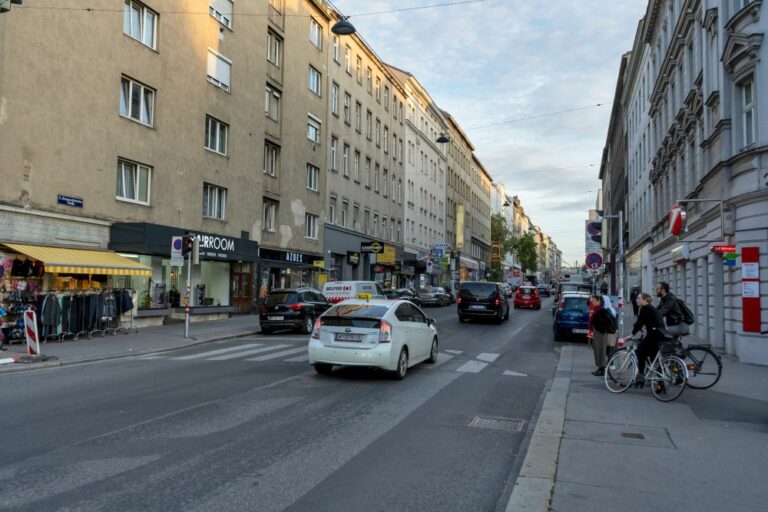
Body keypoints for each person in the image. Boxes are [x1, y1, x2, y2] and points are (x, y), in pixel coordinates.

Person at [632, 292, 665, 384]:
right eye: (637, 298)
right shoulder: (651, 308)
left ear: (645, 300)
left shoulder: (645, 308)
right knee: (653, 357)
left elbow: (639, 323)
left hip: (654, 334)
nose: (636, 300)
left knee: (640, 351)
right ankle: (660, 383)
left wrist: (632, 334)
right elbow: (647, 321)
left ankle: (641, 376)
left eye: (639, 298)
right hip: (659, 333)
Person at [588, 295, 615, 376]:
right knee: (598, 350)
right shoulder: (598, 309)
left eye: (595, 301)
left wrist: (600, 328)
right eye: (592, 301)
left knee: (600, 351)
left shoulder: (600, 309)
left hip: (600, 333)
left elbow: (605, 321)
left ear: (599, 301)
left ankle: (602, 369)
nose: (593, 302)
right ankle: (600, 368)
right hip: (598, 332)